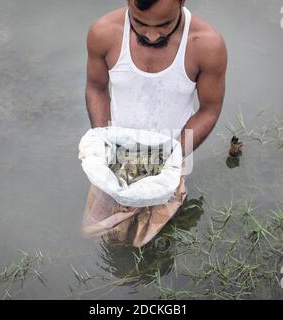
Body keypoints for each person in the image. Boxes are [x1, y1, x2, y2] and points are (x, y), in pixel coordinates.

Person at [83, 0, 227, 247]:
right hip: (114, 159)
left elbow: (209, 109)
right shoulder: (103, 33)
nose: (150, 35)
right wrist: (101, 140)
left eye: (164, 24)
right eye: (139, 22)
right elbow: (96, 88)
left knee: (153, 245)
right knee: (97, 235)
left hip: (169, 162)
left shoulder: (206, 45)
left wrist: (169, 159)